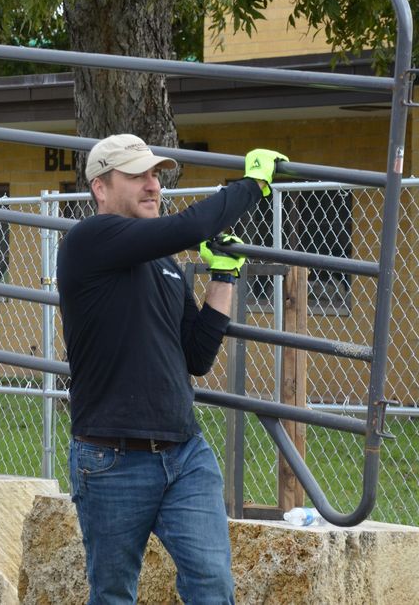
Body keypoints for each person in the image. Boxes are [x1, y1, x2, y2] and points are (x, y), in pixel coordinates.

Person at [57, 133, 286, 604]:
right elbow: (189, 226)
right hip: (110, 459)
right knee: (114, 594)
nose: (153, 185)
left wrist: (223, 277)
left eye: (156, 175)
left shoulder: (163, 263)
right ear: (100, 187)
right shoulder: (87, 241)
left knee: (212, 584)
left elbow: (197, 357)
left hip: (184, 455)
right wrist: (251, 185)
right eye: (137, 175)